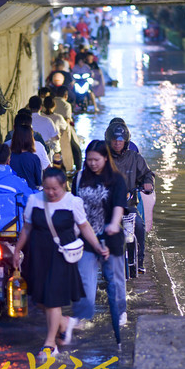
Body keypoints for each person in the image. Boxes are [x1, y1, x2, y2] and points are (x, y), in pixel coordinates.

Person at [12, 167, 108, 356]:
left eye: (55, 188)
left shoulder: (73, 202)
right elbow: (27, 228)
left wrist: (97, 246)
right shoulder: (34, 200)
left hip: (61, 256)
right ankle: (64, 323)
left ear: (64, 185)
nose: (51, 192)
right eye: (47, 188)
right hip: (38, 255)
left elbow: (84, 226)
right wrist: (17, 250)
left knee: (52, 299)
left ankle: (50, 344)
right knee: (38, 298)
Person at [71, 140, 128, 339]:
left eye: (96, 159)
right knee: (85, 279)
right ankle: (82, 315)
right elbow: (73, 204)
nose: (92, 163)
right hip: (85, 238)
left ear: (105, 158)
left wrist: (114, 223)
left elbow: (119, 205)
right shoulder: (79, 178)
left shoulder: (116, 179)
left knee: (115, 279)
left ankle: (120, 311)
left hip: (110, 237)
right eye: (89, 160)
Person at [105, 121, 154, 274]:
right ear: (109, 141)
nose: (117, 143)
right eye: (114, 140)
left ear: (125, 141)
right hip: (108, 206)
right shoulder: (102, 157)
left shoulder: (135, 158)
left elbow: (147, 174)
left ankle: (139, 261)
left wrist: (147, 183)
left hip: (128, 204)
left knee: (139, 226)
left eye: (120, 140)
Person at [8, 115, 44, 189]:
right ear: (30, 139)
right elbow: (38, 181)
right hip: (30, 193)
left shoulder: (9, 157)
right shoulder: (34, 158)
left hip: (13, 192)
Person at [42, 96, 73, 171]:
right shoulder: (58, 117)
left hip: (42, 149)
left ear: (43, 106)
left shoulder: (41, 117)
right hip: (55, 148)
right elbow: (65, 127)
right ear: (54, 106)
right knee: (57, 171)